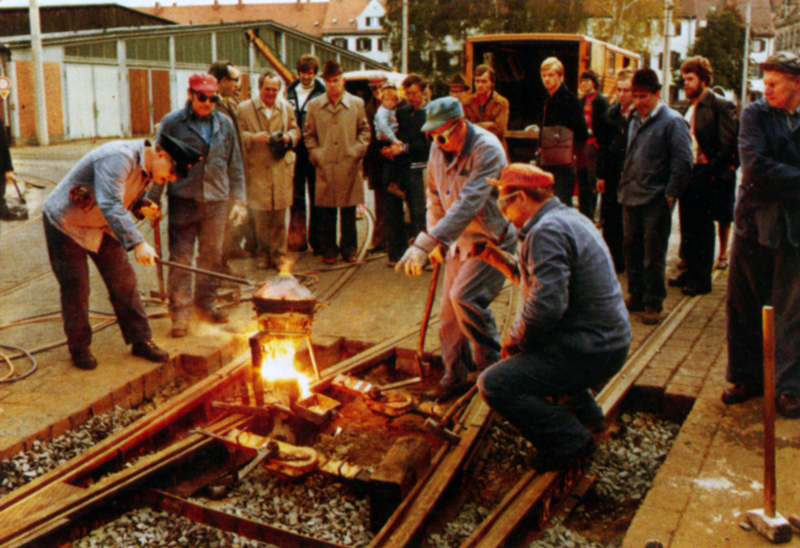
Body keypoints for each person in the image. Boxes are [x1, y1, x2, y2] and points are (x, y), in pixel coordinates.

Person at [475, 163, 630, 471]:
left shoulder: (546, 232)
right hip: (603, 341)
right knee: (539, 352)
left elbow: (546, 307)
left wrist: (514, 341)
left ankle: (569, 441)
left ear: (521, 198)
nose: (500, 208)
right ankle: (591, 420)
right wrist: (492, 255)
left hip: (591, 348)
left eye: (503, 199)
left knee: (494, 383)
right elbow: (538, 282)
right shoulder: (567, 218)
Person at [43, 134, 201, 370]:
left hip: (101, 223)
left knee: (124, 280)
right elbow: (110, 203)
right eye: (171, 171)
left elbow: (127, 194)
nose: (169, 179)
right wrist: (137, 243)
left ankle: (141, 339)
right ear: (160, 155)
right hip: (66, 223)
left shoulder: (148, 168)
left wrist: (140, 205)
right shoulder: (119, 156)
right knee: (77, 285)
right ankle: (79, 348)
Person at [396, 96, 515, 401]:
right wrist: (437, 241)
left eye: (442, 135)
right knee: (449, 314)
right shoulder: (438, 148)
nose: (437, 142)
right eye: (432, 136)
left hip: (489, 242)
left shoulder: (487, 150)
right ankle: (455, 372)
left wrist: (427, 243)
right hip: (456, 243)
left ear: (461, 125)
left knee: (467, 298)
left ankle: (491, 370)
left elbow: (467, 206)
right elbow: (434, 197)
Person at [723, 51, 800, 418]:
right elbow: (754, 166)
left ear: (796, 83)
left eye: (773, 83)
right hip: (753, 222)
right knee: (743, 301)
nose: (764, 89)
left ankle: (788, 387)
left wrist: (778, 179)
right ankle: (746, 377)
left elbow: (769, 171)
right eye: (763, 82)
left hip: (793, 227)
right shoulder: (755, 114)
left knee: (791, 309)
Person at [150, 73, 246, 338]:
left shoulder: (225, 123)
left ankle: (205, 306)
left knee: (211, 256)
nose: (207, 103)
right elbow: (159, 161)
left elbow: (234, 163)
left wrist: (239, 200)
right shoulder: (172, 123)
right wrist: (152, 201)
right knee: (181, 258)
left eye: (213, 98)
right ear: (190, 95)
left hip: (217, 201)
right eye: (201, 97)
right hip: (184, 200)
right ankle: (180, 314)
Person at [619, 68, 692, 325]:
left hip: (655, 199)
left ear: (657, 94)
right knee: (631, 249)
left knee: (653, 252)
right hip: (631, 195)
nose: (638, 102)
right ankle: (636, 294)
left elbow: (683, 161)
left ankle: (653, 302)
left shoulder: (673, 121)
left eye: (643, 96)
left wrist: (671, 193)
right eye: (635, 96)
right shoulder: (633, 119)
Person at [670, 57, 738, 296]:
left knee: (703, 228)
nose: (685, 83)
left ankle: (702, 279)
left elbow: (728, 141)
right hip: (688, 175)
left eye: (690, 78)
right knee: (689, 227)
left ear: (704, 80)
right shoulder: (688, 107)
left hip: (705, 175)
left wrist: (711, 170)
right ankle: (690, 272)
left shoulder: (720, 104)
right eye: (684, 78)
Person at [303, 60, 371, 264]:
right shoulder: (315, 105)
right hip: (325, 164)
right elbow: (309, 135)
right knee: (326, 210)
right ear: (324, 82)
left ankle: (349, 248)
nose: (333, 85)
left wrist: (356, 152)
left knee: (349, 209)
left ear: (343, 81)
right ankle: (329, 249)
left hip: (348, 164)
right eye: (329, 81)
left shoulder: (356, 104)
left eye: (337, 80)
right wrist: (316, 154)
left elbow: (365, 131)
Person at [236, 70, 301, 270]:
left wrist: (289, 137)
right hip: (258, 168)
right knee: (261, 216)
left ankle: (278, 254)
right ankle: (263, 254)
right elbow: (238, 135)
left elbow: (295, 129)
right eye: (267, 89)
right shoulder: (245, 108)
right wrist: (253, 138)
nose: (271, 93)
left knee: (280, 215)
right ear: (259, 88)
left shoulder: (286, 107)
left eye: (275, 90)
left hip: (280, 167)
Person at [209, 61, 256, 269]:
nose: (238, 85)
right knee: (221, 225)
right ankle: (218, 269)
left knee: (228, 223)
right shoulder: (210, 105)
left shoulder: (226, 102)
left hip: (232, 174)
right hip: (221, 178)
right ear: (224, 81)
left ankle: (223, 264)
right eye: (236, 80)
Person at [382, 74, 430, 267]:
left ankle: (423, 256)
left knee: (420, 213)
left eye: (415, 93)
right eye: (408, 94)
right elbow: (396, 134)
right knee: (396, 211)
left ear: (424, 91)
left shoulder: (430, 113)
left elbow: (428, 146)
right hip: (401, 167)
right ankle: (398, 253)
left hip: (420, 168)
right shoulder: (402, 112)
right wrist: (392, 148)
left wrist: (404, 148)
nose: (411, 98)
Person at [535, 57, 588, 208]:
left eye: (551, 75)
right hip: (546, 161)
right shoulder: (545, 99)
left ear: (561, 76)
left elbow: (582, 133)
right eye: (544, 75)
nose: (547, 79)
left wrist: (567, 148)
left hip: (563, 165)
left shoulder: (571, 100)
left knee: (561, 205)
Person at [595, 69, 634, 274]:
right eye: (619, 90)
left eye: (626, 90)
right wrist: (600, 175)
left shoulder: (638, 116)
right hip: (611, 175)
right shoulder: (610, 114)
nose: (622, 94)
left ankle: (629, 260)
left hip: (630, 175)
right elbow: (602, 146)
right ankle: (613, 262)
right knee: (610, 219)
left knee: (628, 222)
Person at [286, 54, 326, 254]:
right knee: (296, 197)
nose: (306, 77)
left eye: (309, 73)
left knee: (316, 195)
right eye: (302, 73)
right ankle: (296, 239)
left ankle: (317, 240)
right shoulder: (291, 90)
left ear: (314, 73)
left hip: (314, 148)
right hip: (295, 149)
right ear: (298, 72)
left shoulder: (321, 91)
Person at [576, 69, 609, 221]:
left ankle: (591, 216)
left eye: (587, 81)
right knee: (581, 180)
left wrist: (598, 141)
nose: (584, 84)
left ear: (594, 82)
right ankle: (584, 215)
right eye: (582, 81)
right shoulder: (581, 100)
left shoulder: (601, 101)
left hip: (593, 145)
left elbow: (605, 124)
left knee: (591, 181)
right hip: (582, 145)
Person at [364, 73, 389, 253]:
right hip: (377, 162)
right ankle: (379, 240)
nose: (378, 91)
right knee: (380, 203)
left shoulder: (398, 104)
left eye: (381, 87)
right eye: (374, 88)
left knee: (395, 202)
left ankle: (395, 241)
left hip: (394, 160)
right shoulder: (368, 108)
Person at [463, 65, 510, 157]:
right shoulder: (467, 103)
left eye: (484, 81)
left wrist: (474, 126)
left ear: (492, 83)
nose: (480, 85)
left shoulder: (501, 102)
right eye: (477, 81)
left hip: (496, 151)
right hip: (475, 152)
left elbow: (500, 130)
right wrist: (491, 124)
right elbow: (464, 130)